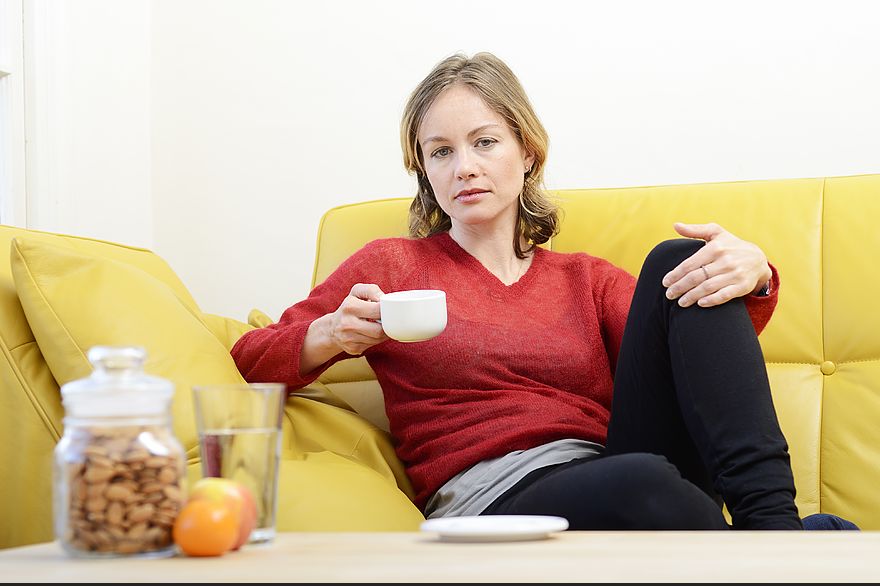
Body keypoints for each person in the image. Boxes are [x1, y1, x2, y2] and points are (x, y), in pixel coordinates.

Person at [231, 52, 857, 531]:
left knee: (679, 260)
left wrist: (754, 273)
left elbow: (699, 354)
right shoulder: (391, 265)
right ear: (424, 170)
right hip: (495, 497)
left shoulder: (580, 278)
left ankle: (774, 531)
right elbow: (250, 359)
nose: (464, 167)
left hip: (619, 463)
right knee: (640, 480)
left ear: (525, 152)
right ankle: (787, 548)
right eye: (440, 152)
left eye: (484, 142)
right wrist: (327, 334)